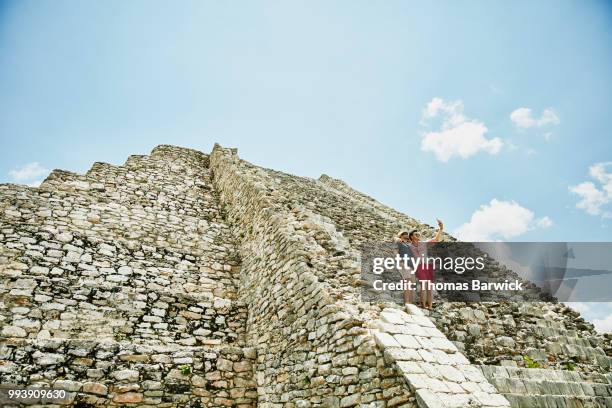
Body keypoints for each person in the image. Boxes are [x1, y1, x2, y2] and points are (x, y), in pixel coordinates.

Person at [408, 219, 444, 310]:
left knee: (429, 287)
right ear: (411, 237)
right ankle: (424, 305)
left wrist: (441, 228)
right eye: (416, 234)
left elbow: (436, 239)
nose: (419, 235)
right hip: (419, 267)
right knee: (423, 287)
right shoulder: (409, 246)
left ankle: (430, 306)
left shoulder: (423, 243)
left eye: (419, 234)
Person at [396, 231, 416, 305]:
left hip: (411, 266)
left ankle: (410, 303)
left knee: (412, 284)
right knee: (408, 283)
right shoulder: (399, 242)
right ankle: (407, 302)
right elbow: (396, 252)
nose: (406, 235)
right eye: (404, 234)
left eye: (407, 234)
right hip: (404, 264)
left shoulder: (408, 244)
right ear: (400, 236)